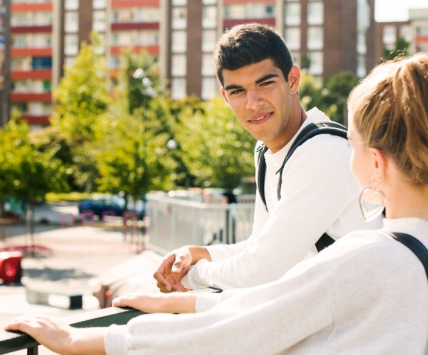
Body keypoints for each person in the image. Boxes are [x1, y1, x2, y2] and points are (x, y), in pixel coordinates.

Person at [6, 53, 428, 354]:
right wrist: (185, 301)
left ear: (375, 162)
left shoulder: (366, 259)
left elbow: (243, 332)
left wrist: (78, 341)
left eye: (354, 142)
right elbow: (276, 302)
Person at [154, 23, 377, 293]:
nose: (252, 102)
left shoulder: (322, 152)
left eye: (265, 83)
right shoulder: (266, 151)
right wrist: (197, 254)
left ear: (293, 80)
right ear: (226, 97)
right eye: (237, 91)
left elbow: (261, 271)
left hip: (366, 325)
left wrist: (192, 277)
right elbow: (259, 245)